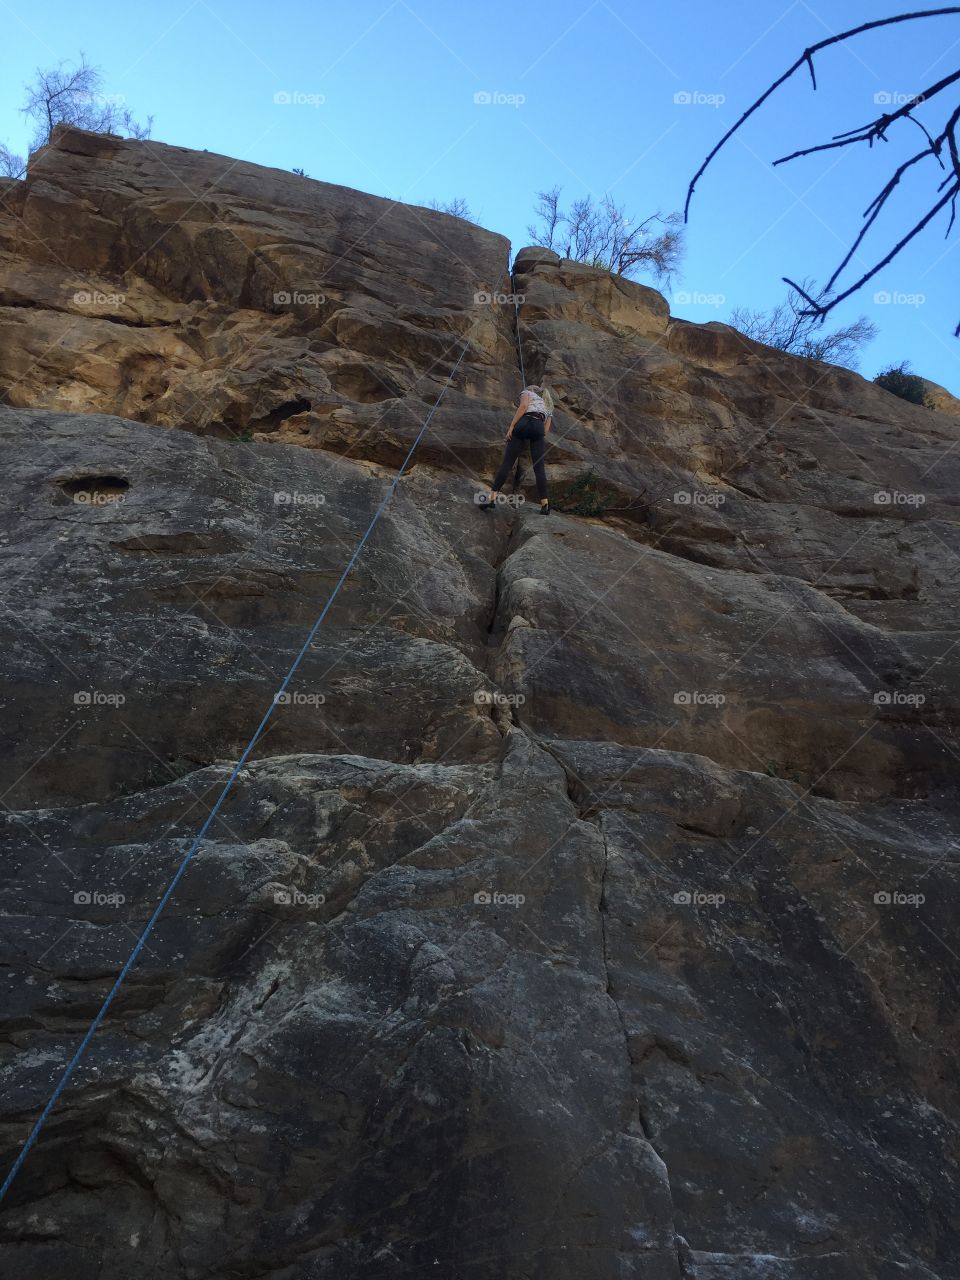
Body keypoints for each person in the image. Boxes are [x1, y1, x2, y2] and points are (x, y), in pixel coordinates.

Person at [479, 384, 554, 514]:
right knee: (539, 468)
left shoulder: (527, 392)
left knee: (507, 463)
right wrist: (536, 430)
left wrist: (512, 426)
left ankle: (491, 499)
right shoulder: (547, 404)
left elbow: (523, 407)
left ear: (531, 389)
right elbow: (545, 430)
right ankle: (545, 505)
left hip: (525, 422)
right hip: (538, 429)